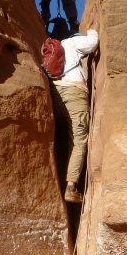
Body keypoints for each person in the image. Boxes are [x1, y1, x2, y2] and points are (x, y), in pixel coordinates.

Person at [47, 28, 99, 202]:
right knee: (78, 141)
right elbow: (92, 43)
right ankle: (71, 188)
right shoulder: (72, 42)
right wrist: (92, 31)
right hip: (74, 93)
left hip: (56, 93)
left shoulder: (52, 49)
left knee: (61, 136)